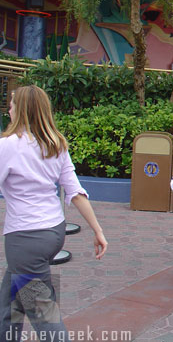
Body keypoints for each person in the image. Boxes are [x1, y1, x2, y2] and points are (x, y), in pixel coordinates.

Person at [0, 85, 108, 342]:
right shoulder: (56, 144)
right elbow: (75, 192)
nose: (9, 109)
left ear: (24, 110)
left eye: (13, 104)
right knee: (8, 304)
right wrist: (97, 230)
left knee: (42, 313)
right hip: (52, 233)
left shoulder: (8, 146)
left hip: (25, 238)